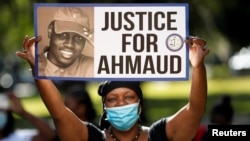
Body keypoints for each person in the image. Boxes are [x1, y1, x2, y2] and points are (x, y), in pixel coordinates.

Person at [16, 35, 210, 141]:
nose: (121, 103)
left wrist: (197, 66)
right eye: (113, 99)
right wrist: (38, 70)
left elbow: (195, 110)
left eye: (129, 98)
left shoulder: (160, 136)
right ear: (105, 109)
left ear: (139, 105)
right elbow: (58, 111)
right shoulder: (89, 138)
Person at [38, 7, 94, 77]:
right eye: (63, 35)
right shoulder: (34, 65)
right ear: (50, 31)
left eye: (78, 38)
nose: (70, 44)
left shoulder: (93, 67)